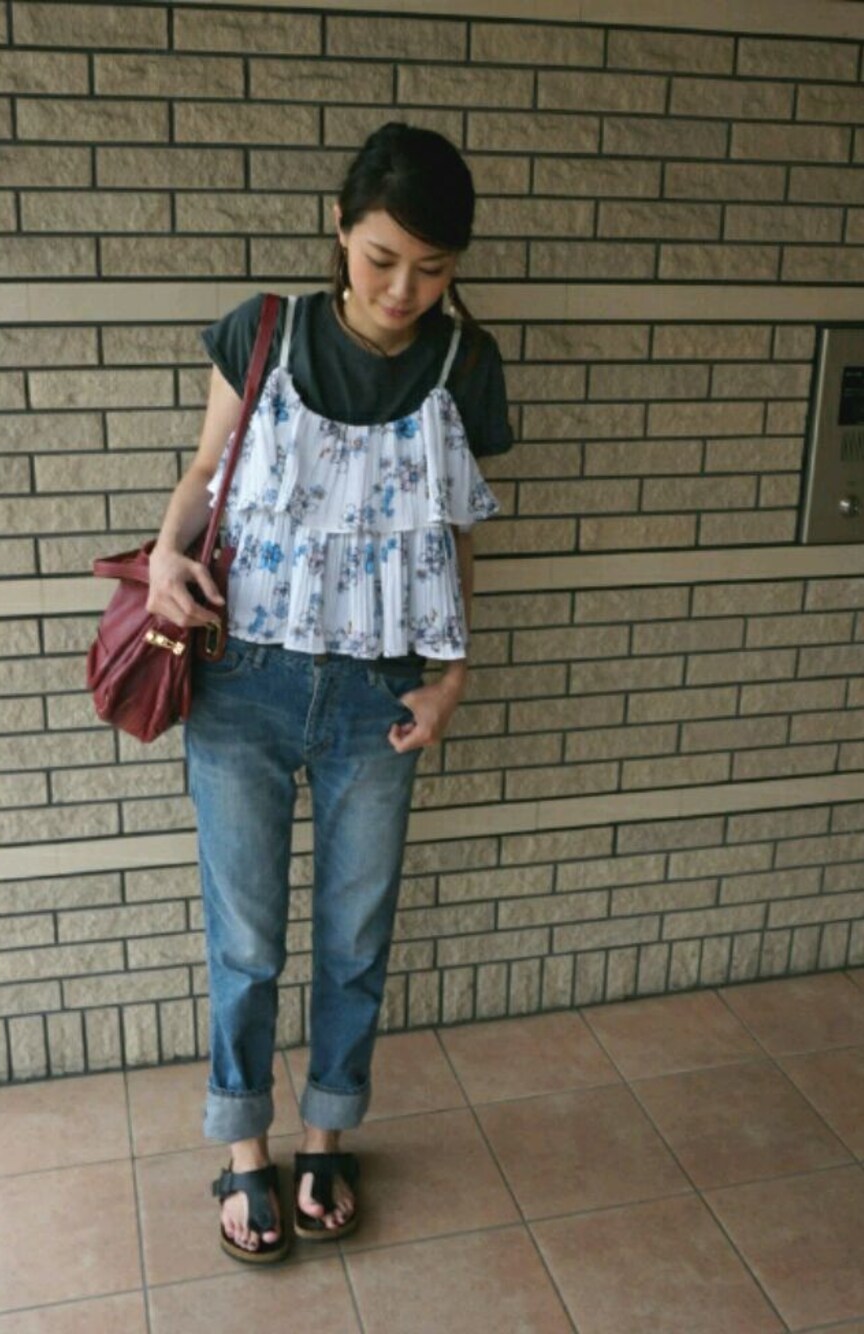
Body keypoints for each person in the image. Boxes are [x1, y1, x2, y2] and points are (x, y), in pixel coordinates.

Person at [146, 122, 512, 1263]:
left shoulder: (463, 364)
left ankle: (325, 1140)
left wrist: (453, 681)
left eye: (432, 269)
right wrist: (163, 560)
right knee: (246, 940)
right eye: (382, 257)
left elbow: (456, 536)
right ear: (339, 232)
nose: (404, 291)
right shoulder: (265, 331)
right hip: (242, 682)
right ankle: (243, 1151)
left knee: (355, 936)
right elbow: (203, 473)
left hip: (379, 697)